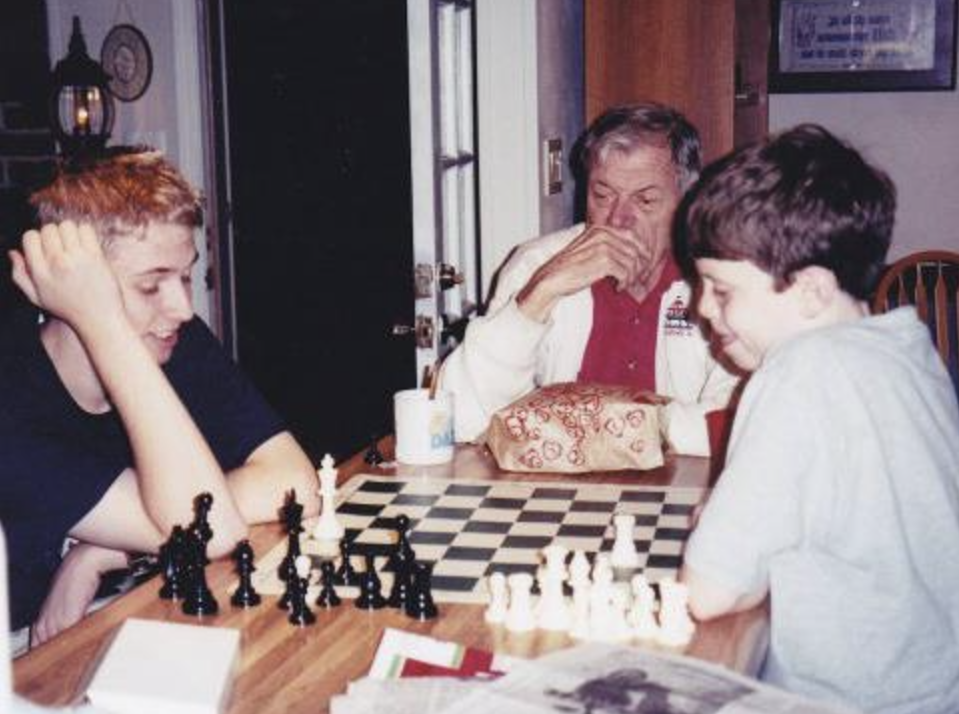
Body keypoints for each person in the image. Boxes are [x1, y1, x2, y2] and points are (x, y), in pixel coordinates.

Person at [678, 125, 959, 713]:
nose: (703, 310)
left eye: (721, 290)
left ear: (809, 291)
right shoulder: (904, 346)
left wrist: (726, 535)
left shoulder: (798, 373)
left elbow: (709, 592)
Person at [1, 148, 320, 645]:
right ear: (71, 290)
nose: (184, 309)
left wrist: (100, 551)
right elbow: (212, 529)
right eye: (152, 286)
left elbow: (295, 485)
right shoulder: (11, 401)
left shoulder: (173, 340)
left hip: (135, 607)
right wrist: (101, 323)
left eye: (186, 276)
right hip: (25, 657)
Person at [440, 103, 739, 456]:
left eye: (645, 200)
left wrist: (633, 426)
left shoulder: (723, 275)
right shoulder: (536, 263)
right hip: (554, 491)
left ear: (687, 201)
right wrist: (541, 293)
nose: (618, 220)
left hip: (679, 494)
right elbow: (459, 417)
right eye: (602, 195)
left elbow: (741, 422)